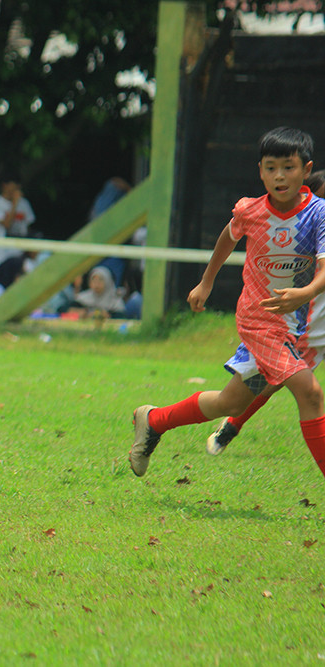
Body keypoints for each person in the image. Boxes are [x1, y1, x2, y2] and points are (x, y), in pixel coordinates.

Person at [129, 127, 325, 486]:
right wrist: (206, 281)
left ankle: (154, 420)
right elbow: (228, 236)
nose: (279, 176)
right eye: (270, 168)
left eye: (288, 167)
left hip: (290, 324)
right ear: (260, 171)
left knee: (231, 404)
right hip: (258, 320)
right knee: (310, 392)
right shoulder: (250, 210)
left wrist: (305, 292)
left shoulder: (318, 214)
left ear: (306, 169)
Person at [205, 167, 325, 455]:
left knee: (288, 383)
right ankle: (233, 423)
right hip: (310, 316)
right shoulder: (309, 214)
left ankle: (231, 420)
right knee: (280, 382)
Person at [0, 173, 35, 274]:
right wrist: (15, 203)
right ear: (5, 185)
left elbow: (29, 228)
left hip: (21, 253)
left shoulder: (24, 204)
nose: (18, 187)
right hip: (2, 254)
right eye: (15, 183)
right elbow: (7, 225)